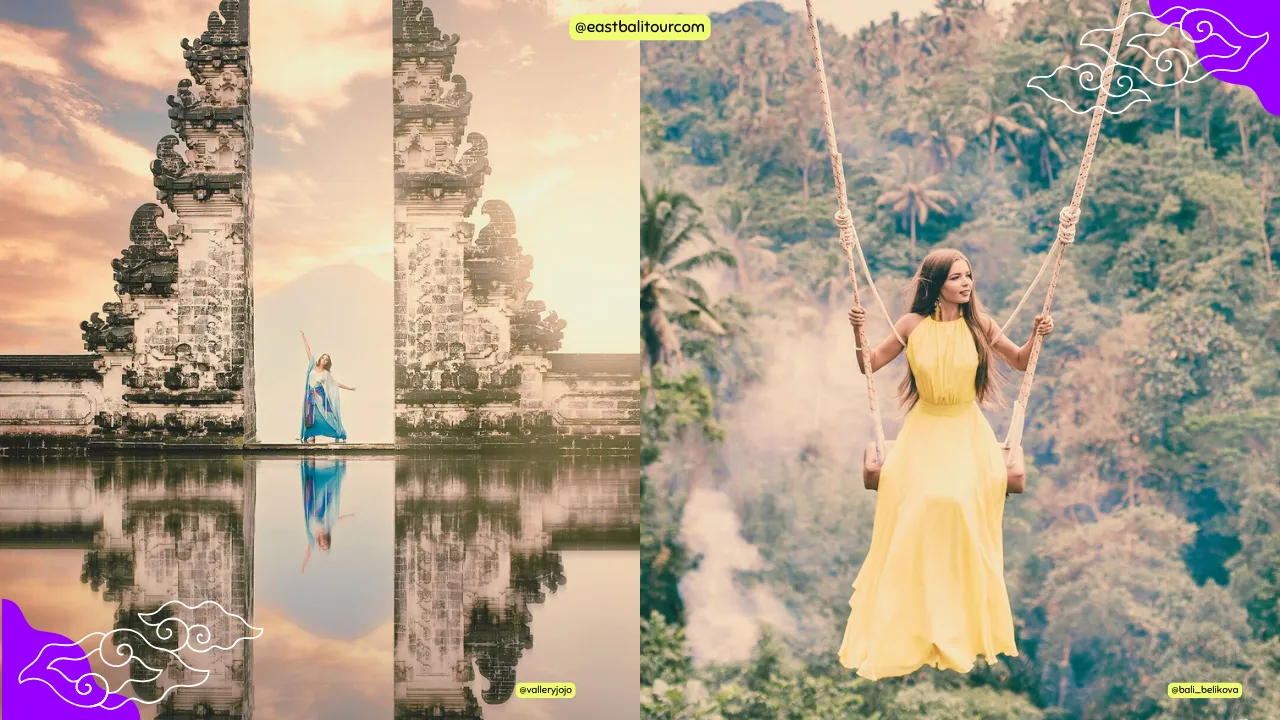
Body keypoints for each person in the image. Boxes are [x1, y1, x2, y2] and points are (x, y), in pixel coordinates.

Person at [838, 247, 1054, 680]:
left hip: (966, 431)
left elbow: (1019, 360)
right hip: (924, 429)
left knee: (954, 502)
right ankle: (915, 611)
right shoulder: (911, 325)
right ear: (937, 285)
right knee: (921, 506)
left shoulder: (980, 325)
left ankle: (957, 614)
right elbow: (870, 364)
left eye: (968, 275)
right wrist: (858, 332)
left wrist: (1037, 335)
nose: (966, 283)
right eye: (956, 277)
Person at [301, 458, 356, 573]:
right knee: (330, 487)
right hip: (320, 508)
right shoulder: (327, 528)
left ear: (320, 544)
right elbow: (336, 519)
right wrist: (350, 515)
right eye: (326, 545)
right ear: (328, 541)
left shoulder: (314, 536)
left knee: (310, 483)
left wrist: (304, 565)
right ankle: (339, 467)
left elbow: (308, 552)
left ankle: (310, 465)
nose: (324, 543)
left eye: (323, 546)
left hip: (311, 507)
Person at [299, 331, 354, 443]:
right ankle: (312, 435)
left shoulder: (326, 373)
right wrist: (303, 337)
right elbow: (308, 350)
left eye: (326, 360)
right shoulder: (312, 365)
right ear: (320, 359)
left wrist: (348, 388)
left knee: (327, 415)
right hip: (310, 394)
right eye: (323, 358)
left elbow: (334, 383)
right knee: (310, 415)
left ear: (327, 362)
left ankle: (339, 433)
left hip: (320, 395)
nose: (324, 360)